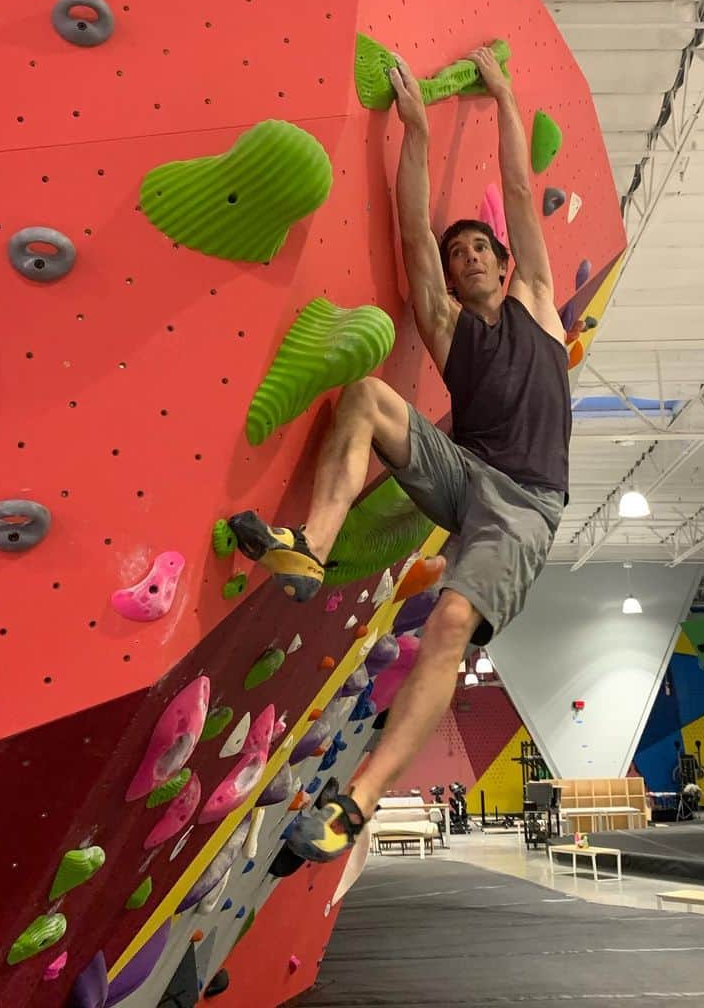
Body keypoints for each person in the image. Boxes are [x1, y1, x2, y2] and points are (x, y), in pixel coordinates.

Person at [229, 45, 571, 861]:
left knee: (454, 618)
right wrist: (414, 128)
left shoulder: (539, 304)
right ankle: (309, 548)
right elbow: (412, 227)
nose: (470, 258)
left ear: (504, 258)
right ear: (450, 280)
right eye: (459, 258)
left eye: (480, 248)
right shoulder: (447, 327)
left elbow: (520, 190)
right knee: (367, 396)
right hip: (465, 477)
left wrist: (506, 95)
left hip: (525, 507)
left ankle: (357, 801)